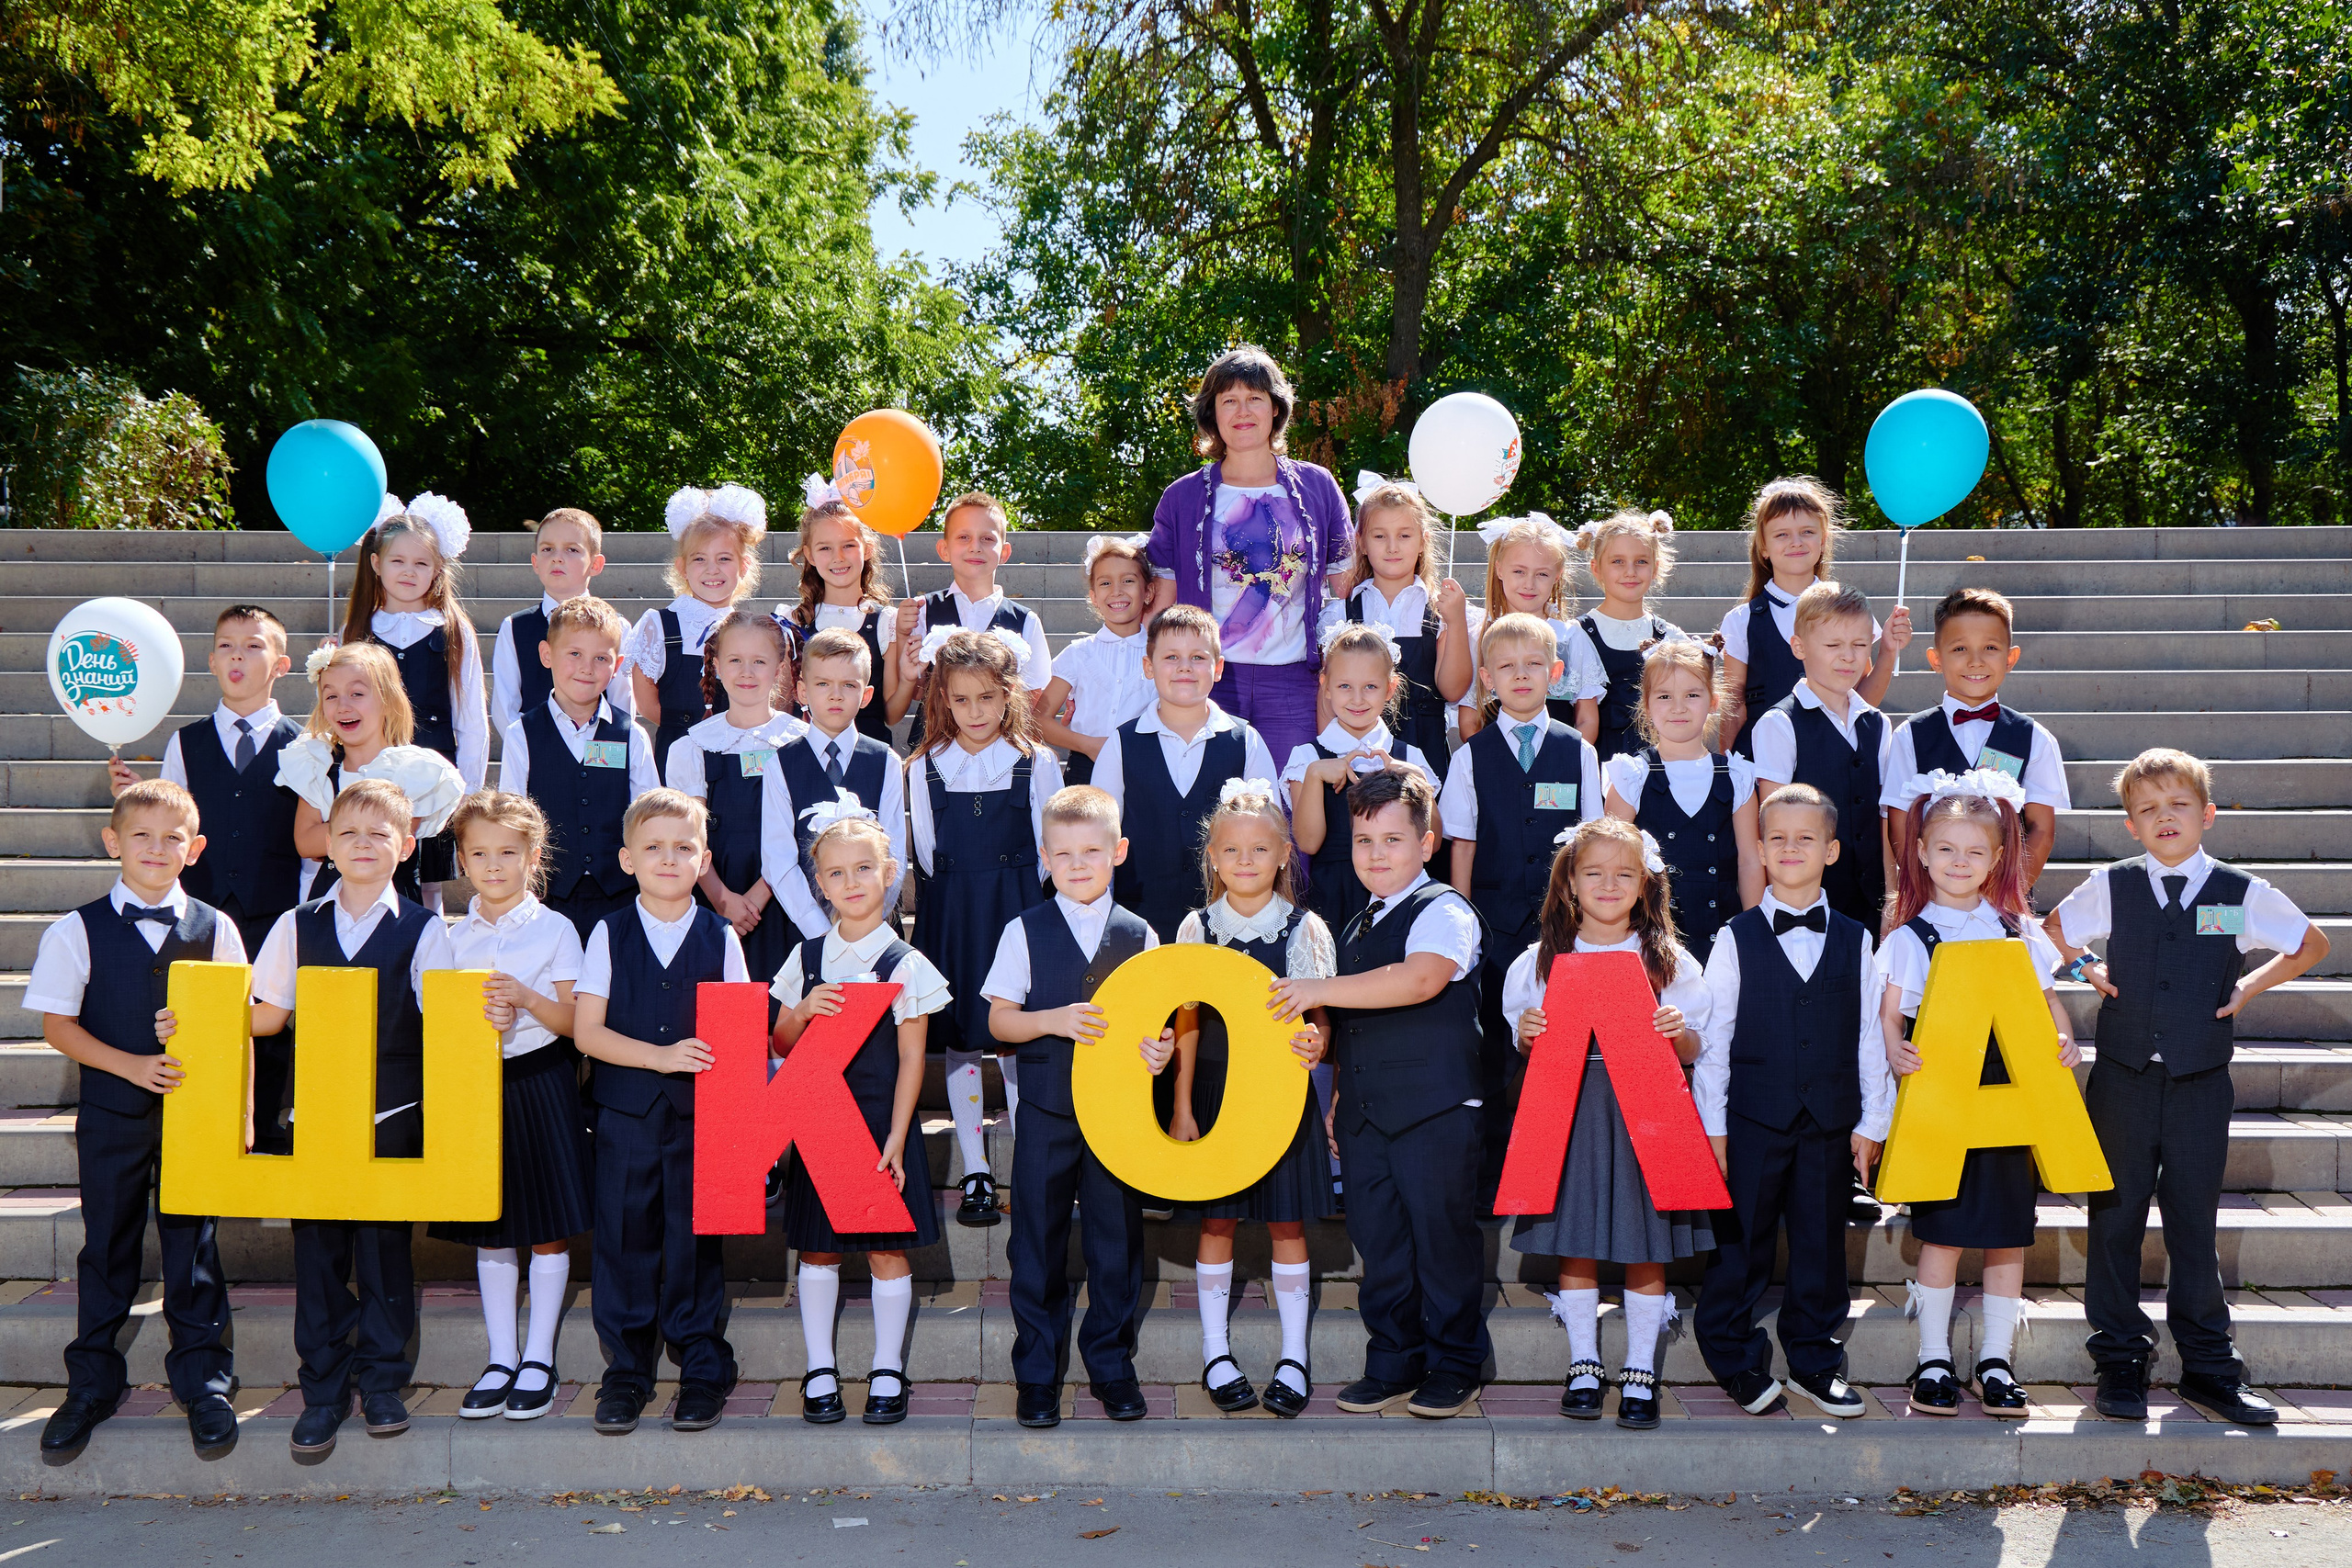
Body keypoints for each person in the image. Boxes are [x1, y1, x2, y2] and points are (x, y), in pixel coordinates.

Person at [2051, 748, 2331, 1427]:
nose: (2164, 816)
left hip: (2200, 1084)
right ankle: (2120, 1358)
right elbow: (2051, 930)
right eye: (2148, 809)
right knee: (2114, 1217)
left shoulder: (2241, 894)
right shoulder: (2112, 885)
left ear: (2207, 814)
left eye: (2178, 804)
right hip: (2122, 1081)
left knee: (2194, 1222)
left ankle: (2209, 1366)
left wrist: (2248, 985)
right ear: (2131, 825)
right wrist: (2087, 968)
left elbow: (2311, 943)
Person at [29, 780, 243, 1461]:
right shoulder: (76, 928)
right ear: (112, 842)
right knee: (107, 1245)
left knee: (193, 1247)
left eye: (171, 838)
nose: (156, 848)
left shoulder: (217, 928)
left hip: (193, 1117)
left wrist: (238, 1111)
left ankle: (204, 1382)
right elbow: (59, 1026)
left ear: (194, 849)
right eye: (141, 836)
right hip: (112, 1115)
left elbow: (237, 1025)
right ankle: (91, 1382)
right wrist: (130, 1065)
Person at [246, 778, 458, 1459]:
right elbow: (267, 1017)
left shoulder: (425, 929)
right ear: (327, 846)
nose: (362, 845)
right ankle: (324, 1390)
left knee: (384, 1252)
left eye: (378, 834)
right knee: (319, 1256)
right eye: (348, 833)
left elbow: (442, 1026)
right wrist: (193, 1020)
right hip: (314, 1118)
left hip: (391, 1114)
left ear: (407, 844)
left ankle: (384, 1381)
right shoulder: (296, 924)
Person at [1273, 768, 1488, 1420]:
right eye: (1364, 841)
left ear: (1427, 843)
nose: (1376, 854)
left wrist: (1316, 989)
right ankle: (1394, 1360)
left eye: (1393, 840)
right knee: (1383, 1246)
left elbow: (1420, 980)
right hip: (1368, 1116)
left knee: (1441, 1243)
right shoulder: (1358, 924)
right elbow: (1355, 1026)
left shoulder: (1445, 910)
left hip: (1435, 1111)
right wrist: (1341, 1096)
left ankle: (1455, 1365)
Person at [1876, 770, 2075, 1418]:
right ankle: (1933, 1358)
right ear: (1921, 852)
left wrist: (2064, 1039)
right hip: (1943, 1100)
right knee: (1943, 1233)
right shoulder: (1909, 937)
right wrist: (1894, 1049)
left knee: (2005, 1235)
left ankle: (1996, 1359)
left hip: (2009, 1097)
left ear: (1996, 859)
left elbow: (2048, 1003)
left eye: (1974, 851)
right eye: (1945, 849)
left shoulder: (2017, 930)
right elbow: (1889, 1015)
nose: (1958, 862)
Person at [1504, 818, 1714, 1431]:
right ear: (1569, 882)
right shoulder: (1542, 960)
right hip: (1574, 1108)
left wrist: (1680, 1033)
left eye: (1624, 874)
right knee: (1579, 1237)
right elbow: (1525, 1037)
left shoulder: (1668, 961)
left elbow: (1697, 1044)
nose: (1608, 884)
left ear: (1645, 883)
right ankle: (1584, 1363)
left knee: (1645, 1242)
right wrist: (1527, 1034)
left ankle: (1641, 1367)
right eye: (1593, 872)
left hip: (1649, 1112)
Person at [1691, 784, 1894, 1420]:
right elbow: (1715, 1037)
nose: (1790, 847)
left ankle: (1813, 1360)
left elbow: (1868, 1034)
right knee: (1740, 1242)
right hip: (1752, 1117)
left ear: (1831, 850)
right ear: (1759, 849)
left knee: (1820, 1243)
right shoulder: (1735, 936)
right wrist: (1714, 1126)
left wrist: (1873, 1119)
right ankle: (1733, 1356)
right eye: (1776, 837)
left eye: (1806, 837)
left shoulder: (1857, 938)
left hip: (1829, 1118)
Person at [1148, 780, 1334, 1417]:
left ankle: (1294, 1355)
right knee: (1217, 1220)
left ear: (1284, 855)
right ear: (1213, 858)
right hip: (1213, 1090)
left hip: (1279, 1094)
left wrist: (1318, 1044)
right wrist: (1182, 1104)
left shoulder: (1305, 928)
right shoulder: (1196, 927)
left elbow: (1319, 1017)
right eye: (1232, 850)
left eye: (1260, 848)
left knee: (1287, 1222)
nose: (1246, 860)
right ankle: (1215, 1352)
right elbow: (1187, 1020)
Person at [572, 790, 750, 1437]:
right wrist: (659, 1057)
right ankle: (626, 1370)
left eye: (683, 847)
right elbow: (588, 1032)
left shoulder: (720, 935)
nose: (668, 858)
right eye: (653, 847)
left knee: (695, 1240)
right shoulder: (608, 931)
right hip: (625, 1114)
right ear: (628, 859)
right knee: (624, 1238)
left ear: (704, 859)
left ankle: (700, 1365)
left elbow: (739, 1033)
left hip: (701, 1115)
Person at [983, 785, 1161, 1428]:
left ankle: (1111, 1364)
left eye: (1091, 851)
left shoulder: (1141, 934)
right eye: (1063, 854)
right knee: (1035, 1243)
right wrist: (1052, 1019)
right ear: (1044, 858)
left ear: (1118, 852)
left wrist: (1160, 1051)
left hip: (1117, 1116)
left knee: (1116, 1244)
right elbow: (1000, 1020)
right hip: (1046, 1112)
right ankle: (1037, 1373)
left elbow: (1156, 1024)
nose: (1078, 864)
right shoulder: (1023, 930)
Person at [770, 802, 950, 1426]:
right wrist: (802, 1011)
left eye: (864, 868)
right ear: (819, 883)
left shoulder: (908, 965)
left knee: (885, 1251)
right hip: (819, 1119)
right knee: (818, 1251)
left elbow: (912, 1059)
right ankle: (820, 1367)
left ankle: (887, 1367)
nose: (851, 882)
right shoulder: (805, 959)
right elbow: (780, 1044)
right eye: (837, 872)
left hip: (877, 1122)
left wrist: (898, 1137)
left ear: (889, 873)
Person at [111, 604, 303, 1152]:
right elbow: (170, 818)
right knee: (193, 1022)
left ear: (281, 664)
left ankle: (267, 1137)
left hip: (274, 909)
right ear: (212, 661)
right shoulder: (186, 742)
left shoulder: (305, 745)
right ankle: (195, 1139)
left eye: (253, 645)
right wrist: (134, 800)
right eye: (226, 646)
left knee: (268, 1024)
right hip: (203, 911)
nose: (237, 655)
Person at [431, 792, 593, 1424]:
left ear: (532, 855)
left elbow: (576, 1021)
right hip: (474, 1086)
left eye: (507, 852)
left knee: (547, 1222)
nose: (493, 865)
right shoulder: (448, 935)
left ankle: (538, 1358)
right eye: (479, 854)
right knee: (490, 1221)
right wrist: (471, 1023)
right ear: (462, 860)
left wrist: (525, 999)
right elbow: (434, 1017)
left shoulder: (557, 929)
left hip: (541, 1079)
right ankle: (500, 1357)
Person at [906, 627, 1063, 1226]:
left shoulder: (1036, 763)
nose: (974, 711)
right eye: (961, 699)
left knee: (1017, 1037)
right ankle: (976, 1168)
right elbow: (925, 852)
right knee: (963, 1039)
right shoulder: (924, 767)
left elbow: (1051, 852)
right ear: (943, 699)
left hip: (1018, 914)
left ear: (1008, 696)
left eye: (987, 698)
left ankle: (1030, 1161)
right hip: (954, 915)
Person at [1440, 613, 1602, 1188]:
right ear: (1487, 679)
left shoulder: (1578, 751)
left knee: (1560, 1046)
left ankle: (1556, 1177)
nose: (1521, 675)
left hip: (1561, 927)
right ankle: (1488, 1180)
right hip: (1494, 926)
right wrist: (1463, 921)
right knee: (1491, 1051)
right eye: (1507, 667)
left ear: (1555, 673)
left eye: (1534, 664)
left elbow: (1589, 841)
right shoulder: (1471, 755)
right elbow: (1463, 843)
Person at [1144, 344, 1355, 765]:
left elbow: (1348, 587)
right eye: (1229, 401)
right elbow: (1161, 608)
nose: (1243, 411)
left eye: (1255, 398)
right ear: (1213, 413)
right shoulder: (1182, 497)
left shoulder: (1318, 486)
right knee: (1212, 798)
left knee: (1292, 794)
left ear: (1275, 408)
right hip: (1206, 680)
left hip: (1295, 681)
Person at [1093, 604, 1283, 941]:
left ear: (1218, 667)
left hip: (1229, 925)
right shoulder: (1121, 743)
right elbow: (1098, 838)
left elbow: (1270, 833)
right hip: (1139, 923)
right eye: (1171, 657)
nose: (1185, 667)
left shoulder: (1246, 741)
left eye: (1198, 657)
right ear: (1148, 666)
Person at [344, 492, 489, 901]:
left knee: (427, 888)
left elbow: (472, 720)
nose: (409, 571)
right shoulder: (356, 630)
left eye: (422, 563)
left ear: (438, 568)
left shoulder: (453, 630)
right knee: (369, 872)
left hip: (433, 779)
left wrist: (466, 792)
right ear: (376, 563)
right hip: (370, 772)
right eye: (398, 561)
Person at [1882, 587, 2072, 888]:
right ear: (1936, 659)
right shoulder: (1909, 735)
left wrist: (2004, 896)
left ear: (2010, 658)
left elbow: (2041, 830)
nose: (1976, 661)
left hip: (2003, 900)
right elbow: (1899, 827)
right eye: (1960, 649)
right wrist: (1928, 895)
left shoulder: (2035, 738)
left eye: (1990, 648)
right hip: (1930, 898)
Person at [501, 596, 662, 942]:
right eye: (574, 653)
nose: (587, 668)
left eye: (600, 658)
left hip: (620, 896)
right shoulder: (521, 734)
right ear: (547, 654)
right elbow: (512, 821)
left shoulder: (631, 735)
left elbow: (650, 819)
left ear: (617, 665)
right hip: (546, 898)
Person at [1716, 478, 1908, 758]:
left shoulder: (1849, 610)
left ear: (1823, 539)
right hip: (1762, 761)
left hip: (1833, 758)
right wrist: (1728, 768)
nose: (1796, 542)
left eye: (1807, 532)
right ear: (1763, 547)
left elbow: (1864, 701)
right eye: (1782, 534)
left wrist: (1889, 651)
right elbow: (1734, 705)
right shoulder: (1741, 620)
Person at [664, 608, 806, 986]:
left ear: (779, 669)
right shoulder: (692, 747)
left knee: (783, 1002)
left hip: (785, 898)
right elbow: (687, 835)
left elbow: (804, 830)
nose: (747, 672)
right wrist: (722, 898)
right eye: (735, 660)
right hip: (714, 898)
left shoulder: (801, 743)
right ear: (716, 666)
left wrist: (761, 894)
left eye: (759, 661)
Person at [1601, 636, 1761, 962]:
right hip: (1650, 944)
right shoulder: (1631, 776)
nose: (1678, 707)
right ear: (1646, 704)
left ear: (1713, 701)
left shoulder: (1737, 776)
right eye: (1664, 696)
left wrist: (1756, 933)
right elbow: (1613, 864)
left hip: (1724, 943)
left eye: (1692, 695)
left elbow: (1749, 861)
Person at [1749, 582, 1896, 933]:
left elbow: (1884, 818)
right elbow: (1774, 825)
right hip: (1804, 907)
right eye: (1833, 645)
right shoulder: (1779, 724)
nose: (1848, 656)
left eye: (1860, 645)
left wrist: (1893, 896)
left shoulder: (1878, 723)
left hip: (1871, 905)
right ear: (1799, 647)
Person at [276, 642, 466, 909]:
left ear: (388, 700)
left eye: (356, 694)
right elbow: (306, 842)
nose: (343, 706)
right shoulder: (318, 765)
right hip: (330, 903)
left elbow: (394, 837)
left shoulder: (412, 770)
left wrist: (335, 833)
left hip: (394, 906)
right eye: (331, 696)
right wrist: (371, 826)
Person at [1287, 622, 1442, 937]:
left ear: (1390, 688)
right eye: (1345, 686)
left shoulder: (1410, 757)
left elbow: (1434, 842)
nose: (1357, 699)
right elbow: (1308, 842)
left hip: (1400, 898)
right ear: (1325, 686)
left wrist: (1416, 781)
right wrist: (1315, 775)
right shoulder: (1306, 758)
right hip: (1332, 902)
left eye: (1370, 686)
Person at [761, 627, 907, 942]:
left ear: (866, 695)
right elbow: (778, 860)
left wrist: (867, 924)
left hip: (874, 933)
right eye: (823, 683)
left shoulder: (886, 761)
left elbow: (895, 852)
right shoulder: (780, 764)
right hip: (807, 933)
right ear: (802, 691)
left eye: (848, 685)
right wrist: (823, 933)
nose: (835, 695)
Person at [1318, 476, 1472, 765]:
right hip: (1356, 757)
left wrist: (1457, 622)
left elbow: (1453, 690)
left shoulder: (1440, 612)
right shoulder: (1341, 615)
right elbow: (1327, 698)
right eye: (1380, 536)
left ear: (1423, 541)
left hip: (1425, 757)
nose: (1392, 547)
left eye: (1404, 536)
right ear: (1361, 542)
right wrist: (1331, 760)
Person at [628, 483, 768, 781]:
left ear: (743, 566)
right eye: (699, 558)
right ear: (682, 567)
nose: (712, 569)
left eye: (724, 558)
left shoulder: (752, 630)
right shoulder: (660, 625)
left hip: (737, 764)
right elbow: (647, 702)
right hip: (677, 762)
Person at [888, 491, 1052, 737]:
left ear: (1005, 552)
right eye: (964, 537)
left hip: (999, 748)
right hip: (934, 744)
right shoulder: (920, 610)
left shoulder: (1025, 621)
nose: (975, 547)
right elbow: (914, 691)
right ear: (944, 549)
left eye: (987, 538)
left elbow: (1034, 699)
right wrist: (902, 636)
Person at [491, 506, 628, 736]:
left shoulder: (618, 627)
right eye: (548, 549)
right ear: (535, 562)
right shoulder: (514, 627)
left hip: (597, 752)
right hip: (533, 749)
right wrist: (529, 747)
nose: (557, 557)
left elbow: (622, 703)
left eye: (572, 549)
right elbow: (505, 707)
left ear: (595, 564)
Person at [784, 479, 900, 747]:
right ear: (809, 555)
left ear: (867, 548)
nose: (838, 557)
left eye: (848, 545)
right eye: (825, 548)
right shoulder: (794, 621)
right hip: (807, 755)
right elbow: (785, 706)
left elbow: (892, 714)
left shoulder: (885, 622)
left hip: (868, 755)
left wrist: (908, 676)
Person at [1035, 533, 1154, 788]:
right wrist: (1088, 745)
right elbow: (1039, 718)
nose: (1117, 591)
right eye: (1105, 583)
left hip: (1144, 771)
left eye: (1128, 580)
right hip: (1085, 771)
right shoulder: (1078, 653)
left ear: (1148, 591)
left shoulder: (1160, 654)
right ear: (1094, 597)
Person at [1566, 510, 1684, 761]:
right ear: (1596, 568)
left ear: (1655, 568)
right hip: (1600, 762)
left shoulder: (1670, 636)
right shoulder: (1577, 633)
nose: (1630, 571)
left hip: (1660, 762)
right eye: (1617, 561)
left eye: (1641, 561)